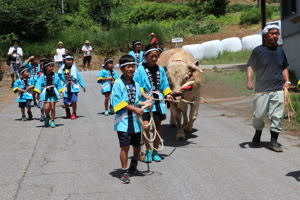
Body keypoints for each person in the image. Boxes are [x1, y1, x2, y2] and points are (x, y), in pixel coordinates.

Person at [246, 24, 290, 152]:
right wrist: (249, 81)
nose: (275, 35)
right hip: (261, 89)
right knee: (258, 115)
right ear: (265, 35)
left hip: (277, 88)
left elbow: (284, 67)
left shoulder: (281, 51)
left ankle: (273, 141)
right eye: (272, 33)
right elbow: (250, 66)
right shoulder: (258, 51)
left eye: (277, 33)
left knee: (277, 115)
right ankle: (258, 133)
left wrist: (287, 81)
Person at [110, 54, 151, 184]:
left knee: (137, 146)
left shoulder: (137, 84)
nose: (131, 69)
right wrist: (135, 109)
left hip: (136, 121)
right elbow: (117, 102)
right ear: (122, 69)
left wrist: (146, 103)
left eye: (133, 66)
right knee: (125, 147)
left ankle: (133, 163)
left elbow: (139, 100)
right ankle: (124, 171)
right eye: (128, 66)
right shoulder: (117, 84)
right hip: (123, 121)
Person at [134, 45, 173, 162]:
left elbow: (165, 86)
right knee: (146, 126)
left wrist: (168, 94)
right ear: (146, 56)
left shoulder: (160, 69)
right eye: (152, 56)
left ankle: (155, 151)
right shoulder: (139, 70)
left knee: (157, 127)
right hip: (145, 102)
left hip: (158, 101)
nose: (154, 58)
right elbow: (136, 85)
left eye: (156, 56)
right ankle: (148, 150)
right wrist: (145, 96)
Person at [34, 60, 64, 128]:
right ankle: (47, 117)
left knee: (53, 108)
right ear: (46, 67)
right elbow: (38, 84)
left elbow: (59, 84)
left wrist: (61, 91)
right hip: (46, 93)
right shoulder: (42, 76)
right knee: (47, 108)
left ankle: (52, 120)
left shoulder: (55, 75)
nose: (51, 67)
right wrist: (38, 93)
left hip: (53, 92)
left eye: (52, 66)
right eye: (50, 66)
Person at [58, 54, 86, 120]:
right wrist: (59, 86)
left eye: (70, 60)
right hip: (65, 86)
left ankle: (74, 113)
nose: (69, 61)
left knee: (74, 100)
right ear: (65, 61)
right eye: (68, 60)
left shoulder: (74, 68)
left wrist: (83, 86)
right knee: (65, 101)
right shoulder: (61, 69)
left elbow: (79, 77)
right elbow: (59, 78)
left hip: (74, 86)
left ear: (72, 61)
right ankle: (67, 110)